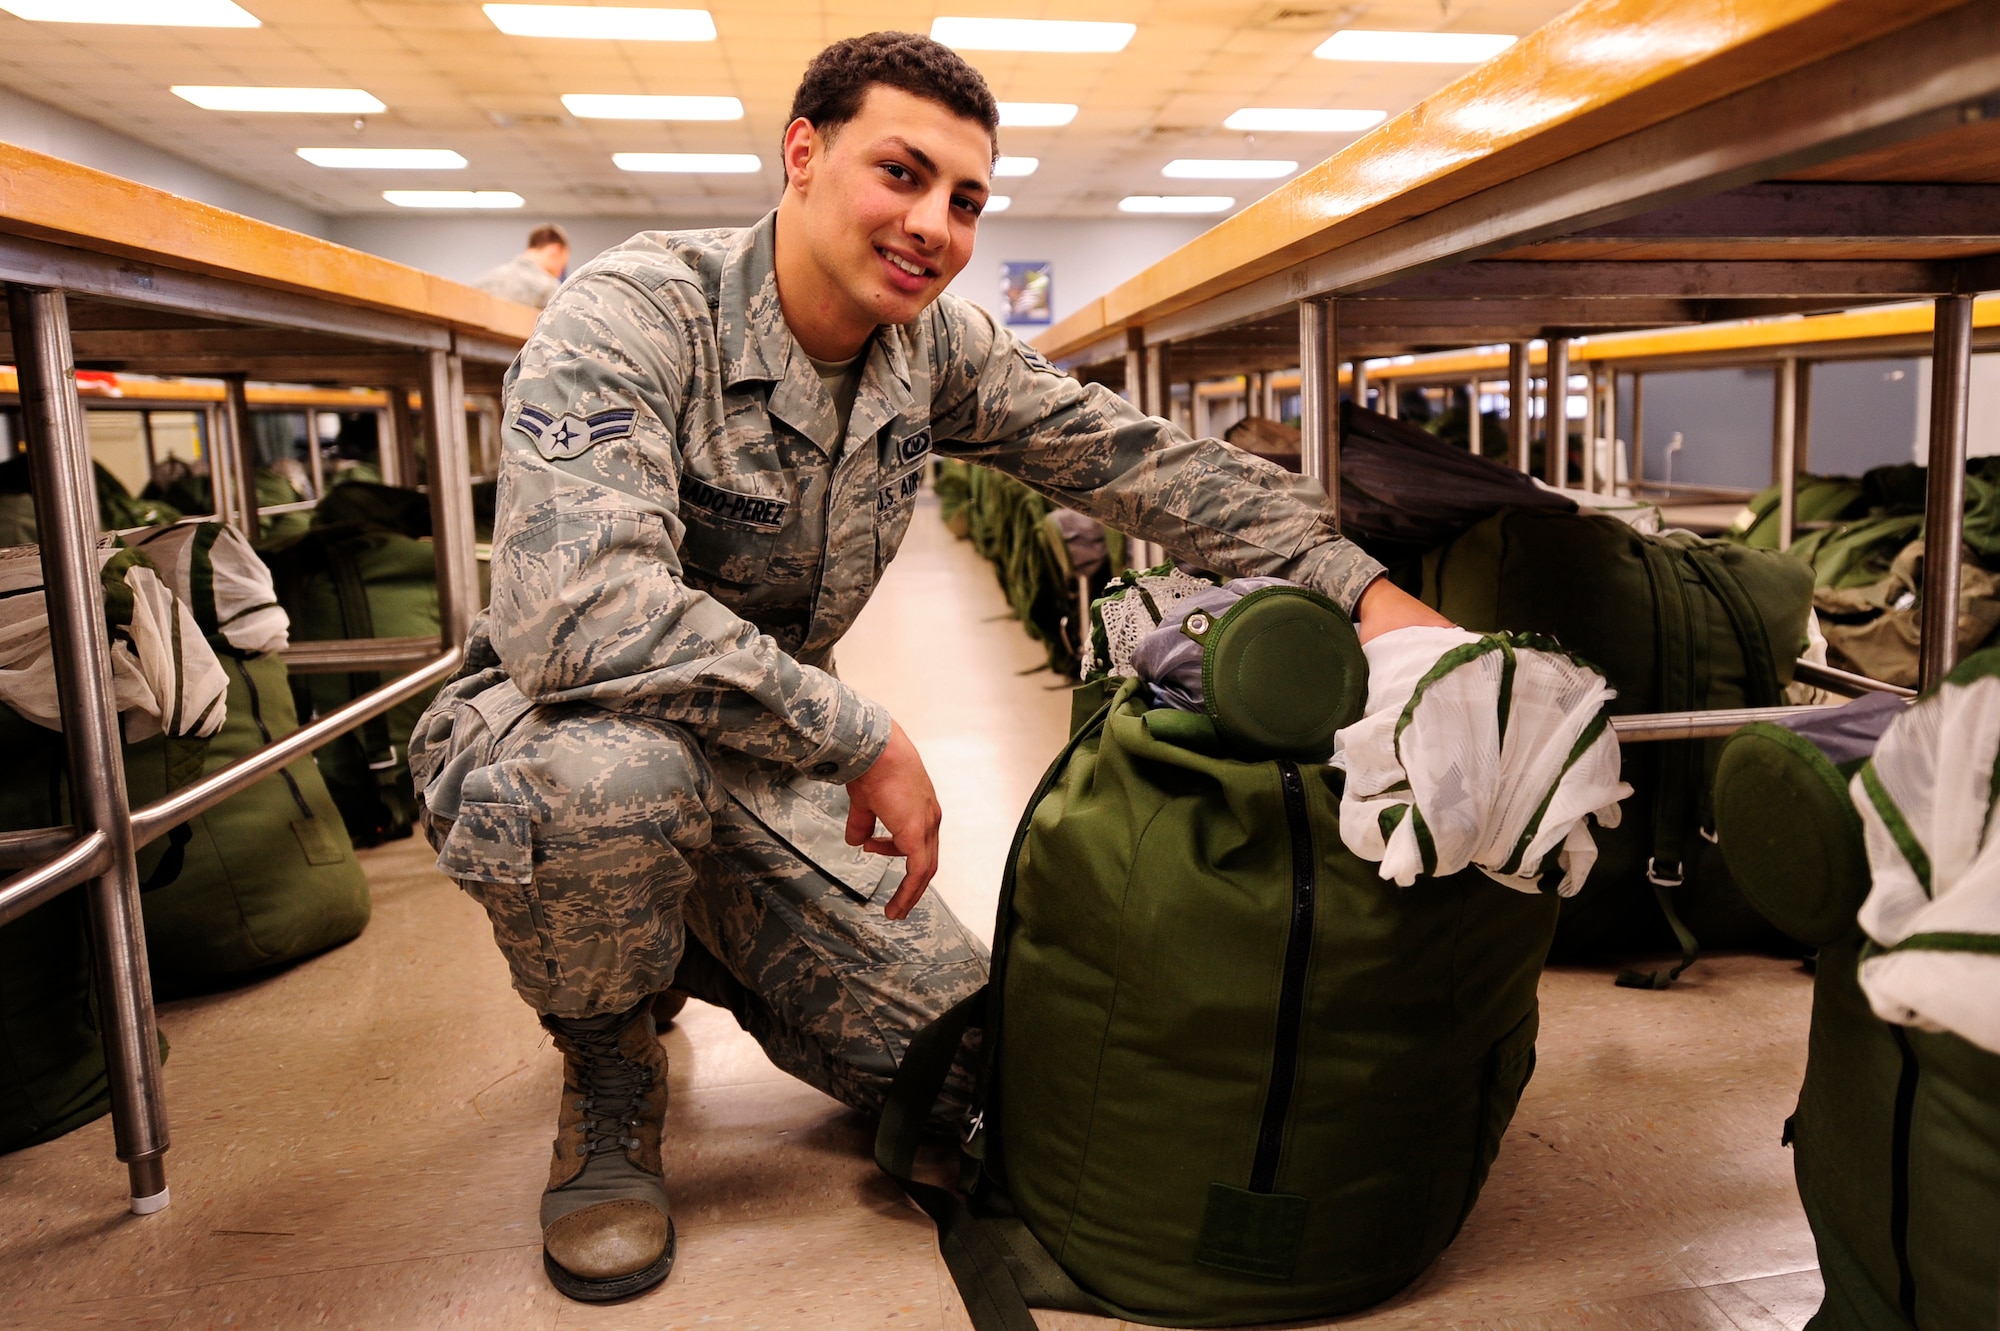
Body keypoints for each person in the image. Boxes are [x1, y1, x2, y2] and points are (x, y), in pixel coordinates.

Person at [409, 30, 1452, 1305]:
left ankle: (681, 926)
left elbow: (1130, 460)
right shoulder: (632, 314)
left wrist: (1362, 589)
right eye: (898, 173)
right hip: (565, 723)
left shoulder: (930, 349)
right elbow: (578, 612)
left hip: (755, 757)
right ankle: (605, 1058)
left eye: (964, 199)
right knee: (609, 786)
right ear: (802, 154)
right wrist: (857, 733)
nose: (931, 225)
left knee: (972, 1070)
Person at [475, 223, 570, 309]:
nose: (560, 272)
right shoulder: (549, 289)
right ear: (556, 251)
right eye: (562, 265)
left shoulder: (486, 280)